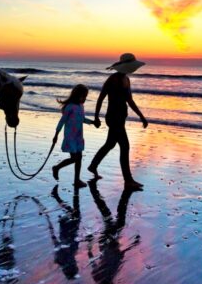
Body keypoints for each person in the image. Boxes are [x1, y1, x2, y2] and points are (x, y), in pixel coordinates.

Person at [88, 53, 148, 190]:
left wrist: (141, 116)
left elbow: (130, 100)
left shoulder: (126, 79)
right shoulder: (112, 79)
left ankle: (93, 165)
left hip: (121, 116)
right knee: (125, 147)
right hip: (113, 117)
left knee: (110, 144)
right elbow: (101, 98)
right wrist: (96, 117)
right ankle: (128, 180)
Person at [52, 84, 94, 189]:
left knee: (79, 158)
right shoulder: (70, 107)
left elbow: (82, 119)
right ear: (77, 95)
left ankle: (76, 180)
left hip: (78, 136)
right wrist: (56, 134)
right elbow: (62, 121)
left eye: (86, 96)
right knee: (74, 158)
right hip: (70, 136)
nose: (85, 99)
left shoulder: (81, 106)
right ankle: (57, 167)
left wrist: (92, 122)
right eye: (83, 96)